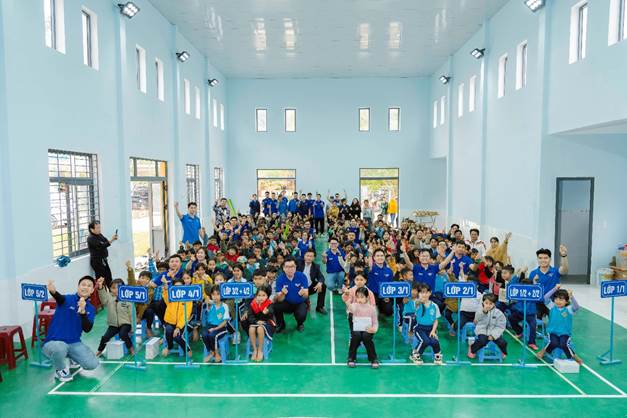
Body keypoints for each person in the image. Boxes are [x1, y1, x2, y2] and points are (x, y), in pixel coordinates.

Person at [42, 277, 99, 382]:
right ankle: (60, 370)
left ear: (92, 291)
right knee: (60, 348)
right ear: (78, 287)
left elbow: (87, 329)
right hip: (53, 343)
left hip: (74, 343)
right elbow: (59, 297)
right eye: (83, 284)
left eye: (89, 286)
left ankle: (72, 357)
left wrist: (83, 312)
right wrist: (53, 291)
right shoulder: (67, 299)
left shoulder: (90, 308)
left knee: (92, 364)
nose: (85, 287)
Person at [536, 285, 582, 363]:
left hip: (565, 333)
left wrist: (571, 297)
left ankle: (574, 356)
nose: (558, 301)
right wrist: (554, 289)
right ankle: (543, 352)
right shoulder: (552, 307)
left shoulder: (569, 309)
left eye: (561, 299)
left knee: (564, 344)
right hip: (552, 332)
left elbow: (576, 307)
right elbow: (545, 298)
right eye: (556, 299)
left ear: (566, 301)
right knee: (553, 342)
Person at [95, 277, 134, 357]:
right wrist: (100, 287)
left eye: (118, 287)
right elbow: (103, 300)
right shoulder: (109, 297)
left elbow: (132, 314)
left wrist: (132, 328)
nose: (116, 290)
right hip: (113, 325)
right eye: (113, 288)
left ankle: (131, 348)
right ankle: (99, 350)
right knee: (105, 337)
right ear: (110, 289)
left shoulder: (128, 298)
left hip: (125, 323)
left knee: (123, 334)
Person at [529, 246, 569, 319]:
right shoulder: (533, 273)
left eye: (545, 258)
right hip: (538, 303)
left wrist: (563, 256)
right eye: (540, 258)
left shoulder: (555, 271)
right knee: (534, 321)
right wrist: (534, 282)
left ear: (550, 259)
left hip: (553, 302)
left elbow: (565, 270)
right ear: (537, 259)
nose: (543, 260)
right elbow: (530, 291)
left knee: (557, 320)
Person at [345, 287, 380, 368]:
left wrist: (373, 329)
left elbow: (375, 323)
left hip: (368, 330)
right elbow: (349, 307)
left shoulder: (372, 309)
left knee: (366, 336)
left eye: (362, 297)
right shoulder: (354, 306)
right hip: (356, 329)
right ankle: (351, 357)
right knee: (356, 336)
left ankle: (373, 358)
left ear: (367, 297)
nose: (359, 299)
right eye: (357, 297)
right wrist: (347, 301)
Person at [410, 284, 443, 365]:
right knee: (425, 341)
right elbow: (417, 302)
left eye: (425, 292)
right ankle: (415, 354)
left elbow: (435, 321)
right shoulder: (417, 303)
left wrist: (433, 331)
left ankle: (437, 355)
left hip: (431, 328)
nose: (423, 294)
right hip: (419, 328)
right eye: (421, 292)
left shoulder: (434, 306)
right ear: (419, 294)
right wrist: (420, 299)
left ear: (430, 293)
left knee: (435, 341)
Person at [274, 258, 309, 333]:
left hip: (299, 303)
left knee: (302, 315)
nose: (290, 269)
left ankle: (300, 324)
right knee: (276, 306)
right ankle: (281, 324)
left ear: (295, 267)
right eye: (287, 267)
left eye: (292, 266)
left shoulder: (302, 276)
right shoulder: (280, 279)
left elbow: (306, 296)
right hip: (287, 303)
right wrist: (282, 294)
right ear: (283, 268)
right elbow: (279, 299)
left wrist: (303, 293)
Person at [468, 294, 507, 359]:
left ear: (494, 304)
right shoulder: (479, 311)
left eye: (490, 303)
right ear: (483, 303)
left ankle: (502, 351)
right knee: (482, 341)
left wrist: (493, 335)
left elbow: (500, 326)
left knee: (503, 342)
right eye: (486, 303)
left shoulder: (499, 313)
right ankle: (472, 349)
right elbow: (476, 321)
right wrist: (483, 312)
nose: (488, 305)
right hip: (482, 331)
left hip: (494, 332)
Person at [161, 277, 193, 358]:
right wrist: (165, 285)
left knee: (177, 336)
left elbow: (186, 315)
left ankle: (187, 349)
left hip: (181, 323)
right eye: (175, 287)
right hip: (169, 321)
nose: (178, 289)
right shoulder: (171, 296)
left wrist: (178, 327)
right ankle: (169, 346)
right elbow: (165, 296)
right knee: (168, 330)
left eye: (180, 286)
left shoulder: (188, 298)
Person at [202, 285, 231, 363]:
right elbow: (207, 303)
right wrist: (207, 300)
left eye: (218, 294)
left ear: (222, 295)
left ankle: (217, 353)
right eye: (213, 294)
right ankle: (212, 352)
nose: (215, 297)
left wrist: (215, 329)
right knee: (204, 334)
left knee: (212, 335)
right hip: (210, 326)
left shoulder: (225, 306)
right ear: (211, 295)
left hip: (221, 327)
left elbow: (225, 322)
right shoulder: (210, 304)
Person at [247, 284, 276, 362]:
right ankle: (255, 349)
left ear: (267, 296)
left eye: (263, 295)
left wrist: (266, 313)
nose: (261, 297)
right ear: (256, 296)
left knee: (260, 328)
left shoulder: (269, 304)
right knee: (251, 328)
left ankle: (260, 350)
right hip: (256, 322)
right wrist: (256, 321)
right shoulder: (253, 304)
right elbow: (250, 316)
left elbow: (271, 314)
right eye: (259, 295)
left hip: (268, 323)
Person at [87, 220, 118, 289]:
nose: (99, 229)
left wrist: (110, 240)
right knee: (101, 280)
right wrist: (111, 240)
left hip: (104, 260)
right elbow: (101, 246)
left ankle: (111, 292)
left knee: (109, 277)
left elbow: (106, 242)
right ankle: (102, 293)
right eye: (97, 228)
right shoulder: (90, 238)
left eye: (99, 227)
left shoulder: (100, 235)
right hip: (97, 262)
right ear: (92, 229)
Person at [297, 249, 328, 314]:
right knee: (301, 308)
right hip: (298, 288)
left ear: (314, 258)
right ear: (304, 256)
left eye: (311, 256)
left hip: (310, 287)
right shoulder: (298, 263)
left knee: (323, 286)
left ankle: (319, 307)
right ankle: (304, 301)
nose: (309, 258)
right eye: (307, 256)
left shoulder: (316, 266)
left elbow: (321, 277)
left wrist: (320, 283)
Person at [367, 248, 394, 316]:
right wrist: (370, 255)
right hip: (373, 295)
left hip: (384, 295)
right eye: (378, 256)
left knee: (388, 311)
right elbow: (370, 265)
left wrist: (387, 296)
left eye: (382, 256)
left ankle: (381, 308)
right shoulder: (371, 268)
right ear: (374, 258)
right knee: (374, 314)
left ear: (384, 257)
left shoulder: (389, 270)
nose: (380, 257)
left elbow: (390, 285)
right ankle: (375, 307)